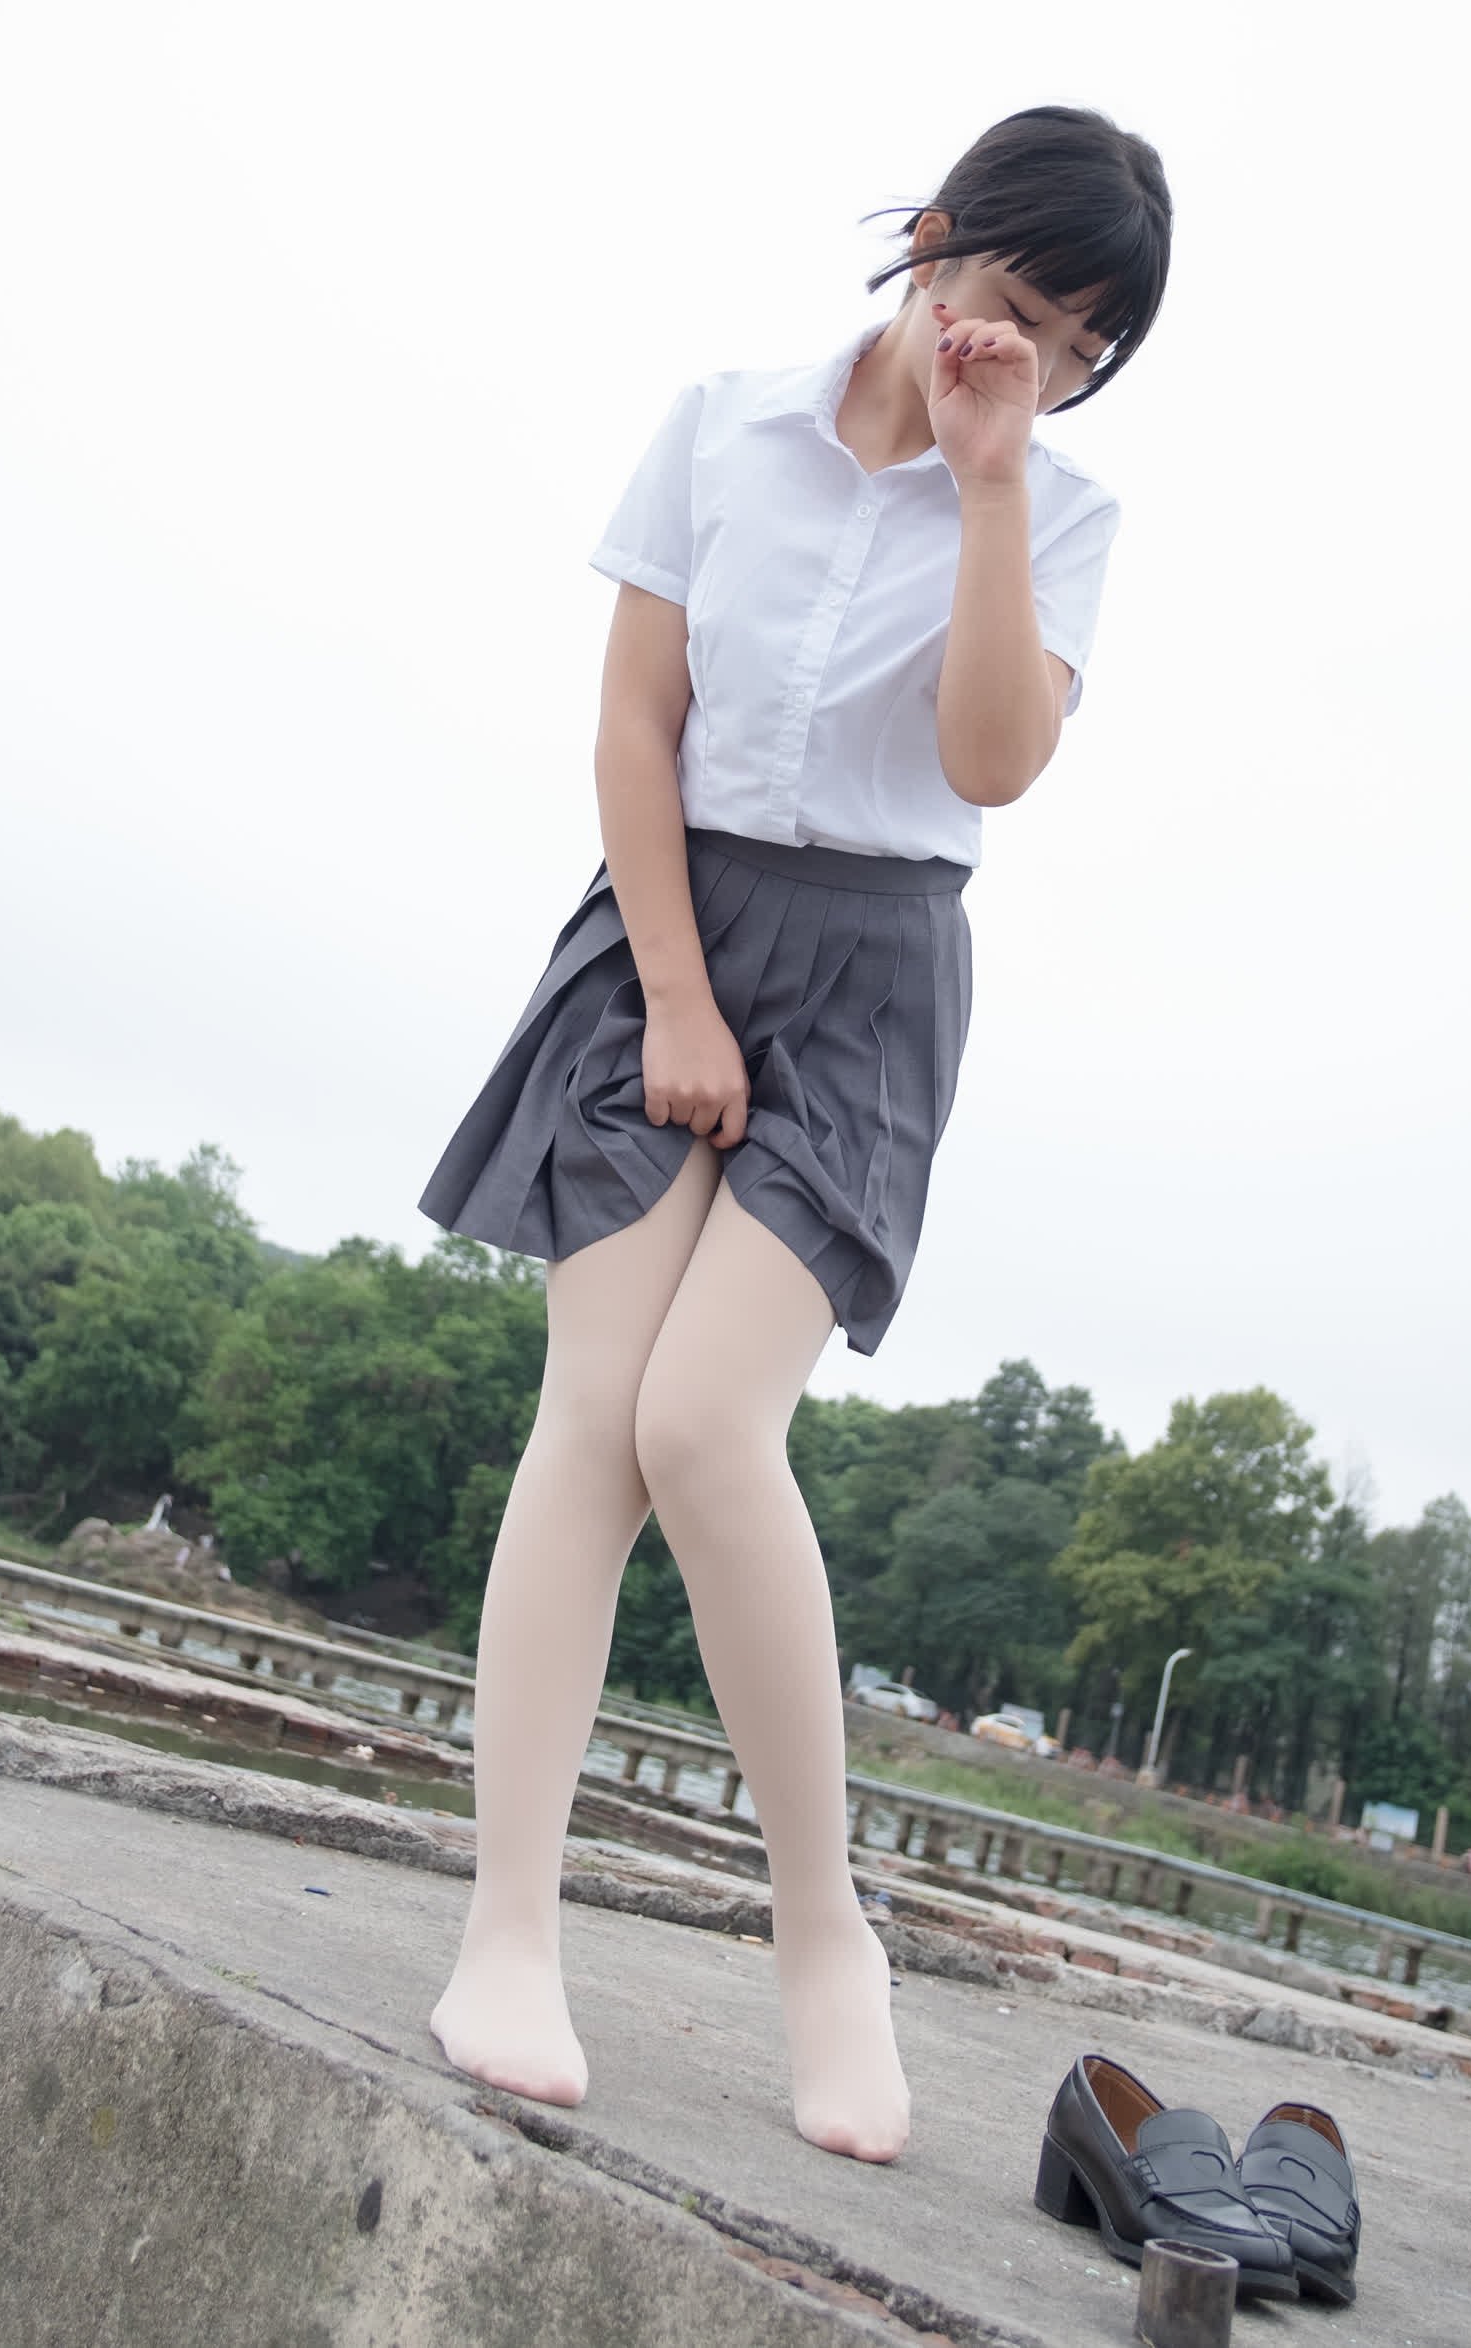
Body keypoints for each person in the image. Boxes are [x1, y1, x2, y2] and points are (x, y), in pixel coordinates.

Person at [415, 104, 1172, 2164]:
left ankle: (826, 1936)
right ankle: (505, 1930)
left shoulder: (1063, 507)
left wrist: (993, 481)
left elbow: (988, 762)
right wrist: (670, 993)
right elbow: (631, 722)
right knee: (595, 1409)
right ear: (931, 242)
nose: (1028, 357)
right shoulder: (722, 425)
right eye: (1011, 303)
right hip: (667, 918)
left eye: (1080, 347)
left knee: (703, 1418)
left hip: (873, 967)